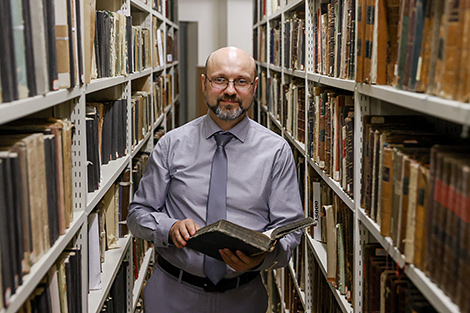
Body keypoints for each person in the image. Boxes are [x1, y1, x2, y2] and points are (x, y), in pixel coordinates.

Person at [127, 46, 304, 313]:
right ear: (204, 83)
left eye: (241, 81)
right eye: (220, 79)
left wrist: (261, 257)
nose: (230, 90)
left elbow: (290, 229)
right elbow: (137, 214)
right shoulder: (171, 144)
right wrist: (168, 227)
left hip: (243, 298)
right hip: (172, 294)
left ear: (254, 87)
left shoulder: (276, 151)